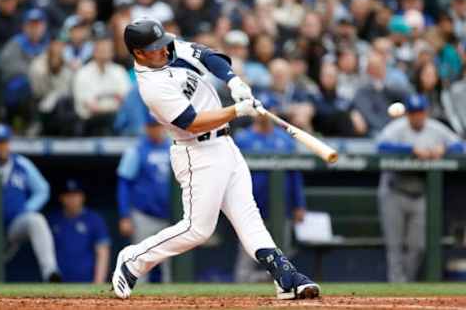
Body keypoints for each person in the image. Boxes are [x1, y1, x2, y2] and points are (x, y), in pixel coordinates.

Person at [112, 17, 320, 300]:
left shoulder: (169, 50)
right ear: (138, 53)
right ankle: (134, 259)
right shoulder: (151, 86)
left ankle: (285, 277)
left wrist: (235, 82)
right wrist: (236, 110)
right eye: (155, 47)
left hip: (225, 145)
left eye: (162, 43)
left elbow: (210, 56)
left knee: (249, 217)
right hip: (195, 151)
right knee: (198, 229)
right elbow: (192, 122)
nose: (164, 49)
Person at [377, 95, 464, 282]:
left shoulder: (435, 128)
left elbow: (460, 145)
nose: (417, 117)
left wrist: (444, 149)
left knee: (419, 246)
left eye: (420, 112)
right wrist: (411, 150)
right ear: (407, 114)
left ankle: (405, 285)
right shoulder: (397, 128)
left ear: (426, 112)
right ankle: (396, 288)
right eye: (414, 113)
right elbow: (381, 146)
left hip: (420, 194)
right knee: (395, 246)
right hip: (394, 190)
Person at [233, 102, 307, 283]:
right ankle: (242, 294)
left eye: (268, 109)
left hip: (283, 209)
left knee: (283, 256)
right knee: (247, 257)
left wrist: (299, 205)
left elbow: (294, 174)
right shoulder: (243, 139)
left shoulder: (285, 140)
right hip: (251, 208)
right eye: (259, 109)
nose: (263, 113)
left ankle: (282, 289)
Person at [0, 123, 60, 282]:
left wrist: (26, 208)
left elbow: (43, 189)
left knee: (35, 220)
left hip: (14, 223)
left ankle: (50, 272)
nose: (1, 147)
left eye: (4, 142)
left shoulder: (21, 164)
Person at [116, 112, 172, 282]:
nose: (155, 130)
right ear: (146, 128)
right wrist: (125, 215)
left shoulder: (174, 148)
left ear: (163, 126)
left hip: (171, 217)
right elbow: (124, 183)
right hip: (143, 215)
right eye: (151, 126)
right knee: (140, 262)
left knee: (170, 268)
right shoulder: (136, 151)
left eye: (157, 126)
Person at [48, 179, 110, 283]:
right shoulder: (53, 220)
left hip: (86, 281)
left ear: (82, 196)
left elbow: (103, 252)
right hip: (58, 282)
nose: (72, 199)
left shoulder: (94, 219)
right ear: (61, 198)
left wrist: (98, 282)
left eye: (75, 195)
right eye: (68, 195)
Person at [73, 33, 131, 136]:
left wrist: (103, 104)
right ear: (94, 51)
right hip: (89, 123)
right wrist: (114, 102)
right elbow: (91, 108)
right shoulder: (83, 73)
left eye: (108, 49)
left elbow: (127, 101)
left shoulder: (119, 71)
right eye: (102, 49)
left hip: (116, 120)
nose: (105, 52)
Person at [0, 8, 49, 127]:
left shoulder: (48, 43)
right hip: (20, 89)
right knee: (21, 84)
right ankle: (20, 123)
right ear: (25, 26)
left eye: (38, 24)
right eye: (31, 25)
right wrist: (34, 73)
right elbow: (10, 68)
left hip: (45, 85)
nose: (34, 28)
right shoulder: (16, 43)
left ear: (44, 26)